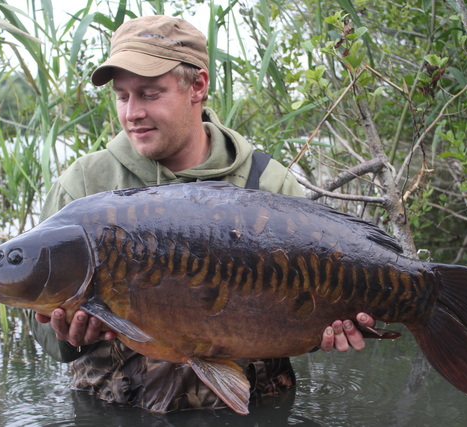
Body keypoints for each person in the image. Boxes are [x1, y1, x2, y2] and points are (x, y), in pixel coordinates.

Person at [28, 15, 376, 413]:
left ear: (198, 86)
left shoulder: (267, 183)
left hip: (255, 408)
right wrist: (66, 335)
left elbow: (306, 317)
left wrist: (327, 333)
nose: (133, 113)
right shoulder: (85, 185)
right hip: (116, 410)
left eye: (150, 93)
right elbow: (47, 340)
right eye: (123, 96)